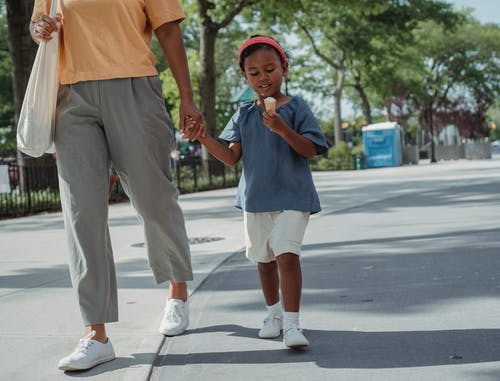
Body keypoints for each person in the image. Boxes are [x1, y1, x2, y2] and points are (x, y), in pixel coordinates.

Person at [30, 0, 205, 371]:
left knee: (154, 199)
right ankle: (96, 334)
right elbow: (38, 27)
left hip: (134, 89)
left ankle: (177, 290)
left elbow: (169, 30)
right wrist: (40, 29)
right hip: (70, 97)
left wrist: (187, 97)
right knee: (82, 214)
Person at [191, 35, 328, 348]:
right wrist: (203, 137)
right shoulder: (243, 114)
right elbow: (230, 157)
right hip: (255, 200)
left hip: (293, 197)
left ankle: (292, 324)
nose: (263, 77)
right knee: (264, 261)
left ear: (284, 68)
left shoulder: (296, 108)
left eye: (270, 69)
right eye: (254, 73)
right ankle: (273, 315)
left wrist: (281, 128)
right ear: (245, 76)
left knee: (287, 257)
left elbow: (310, 150)